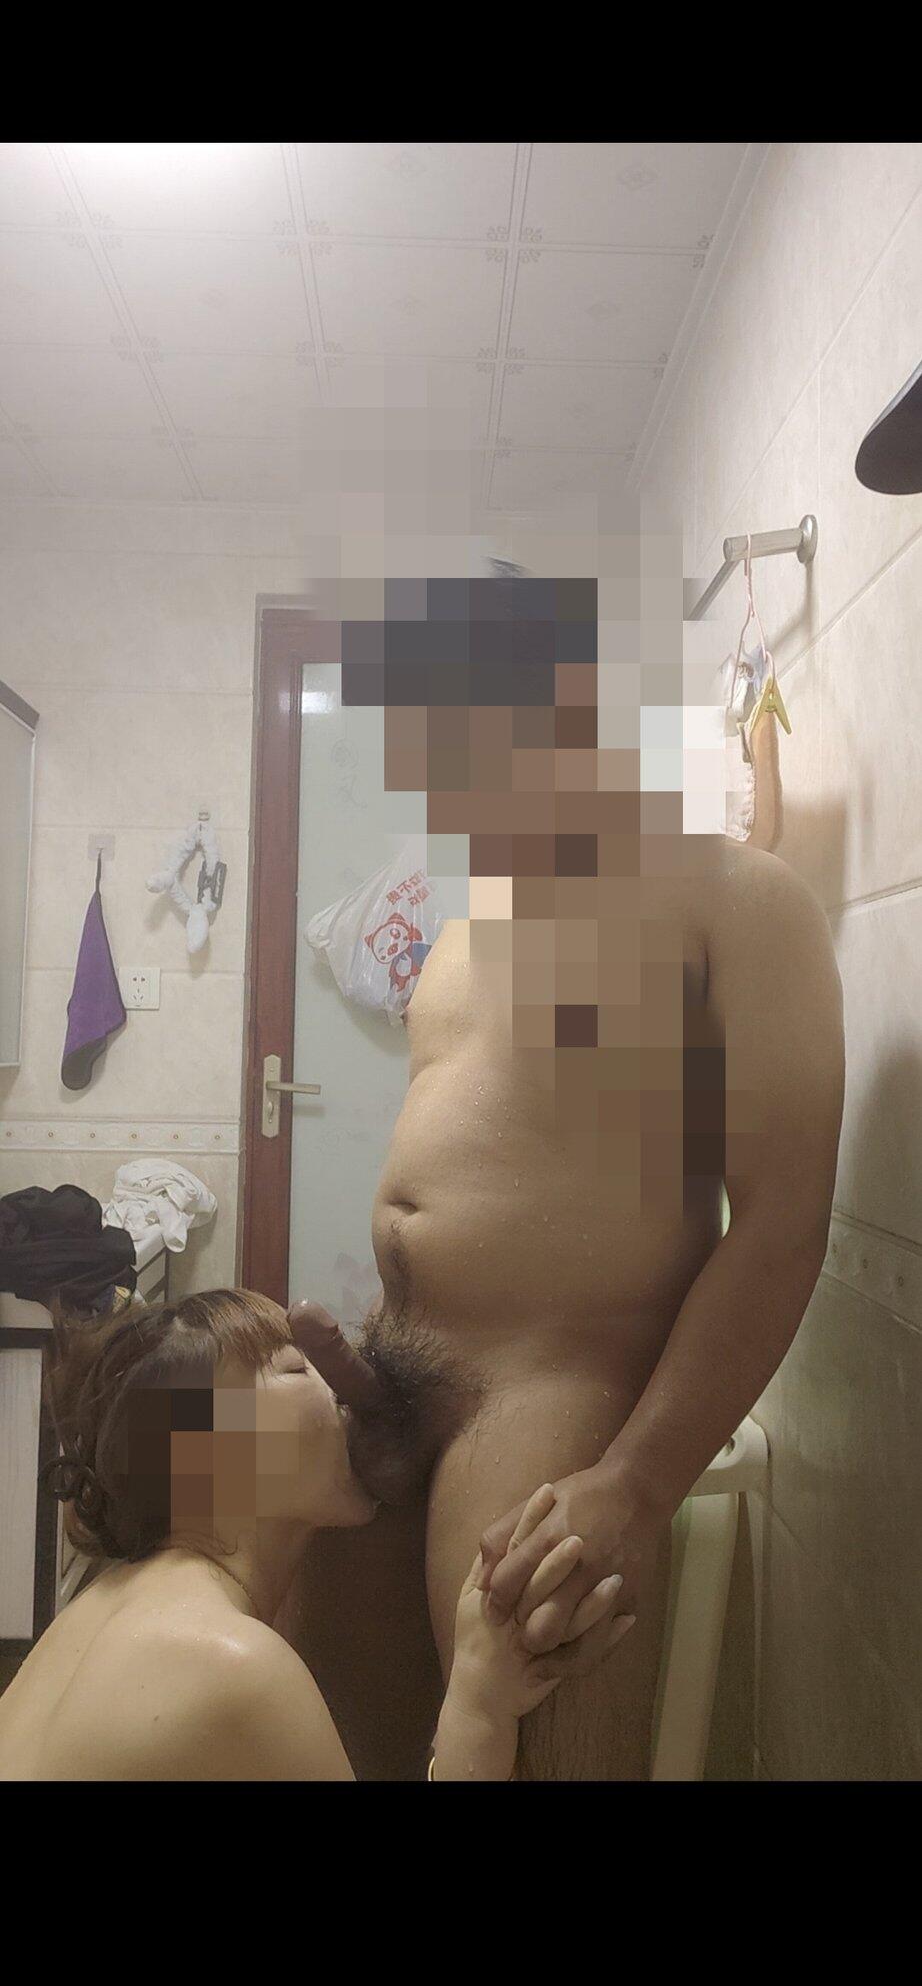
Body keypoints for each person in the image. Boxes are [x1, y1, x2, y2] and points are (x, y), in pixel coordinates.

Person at [280, 584, 846, 1780]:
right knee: (346, 1746)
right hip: (386, 1382)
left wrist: (636, 1483)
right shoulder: (463, 932)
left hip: (547, 1386)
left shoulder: (736, 899)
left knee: (528, 1753)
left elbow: (782, 1221)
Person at [0, 1287, 626, 1781]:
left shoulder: (94, 1612)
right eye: (298, 1369)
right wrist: (478, 1705)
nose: (343, 1389)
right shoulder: (231, 1662)